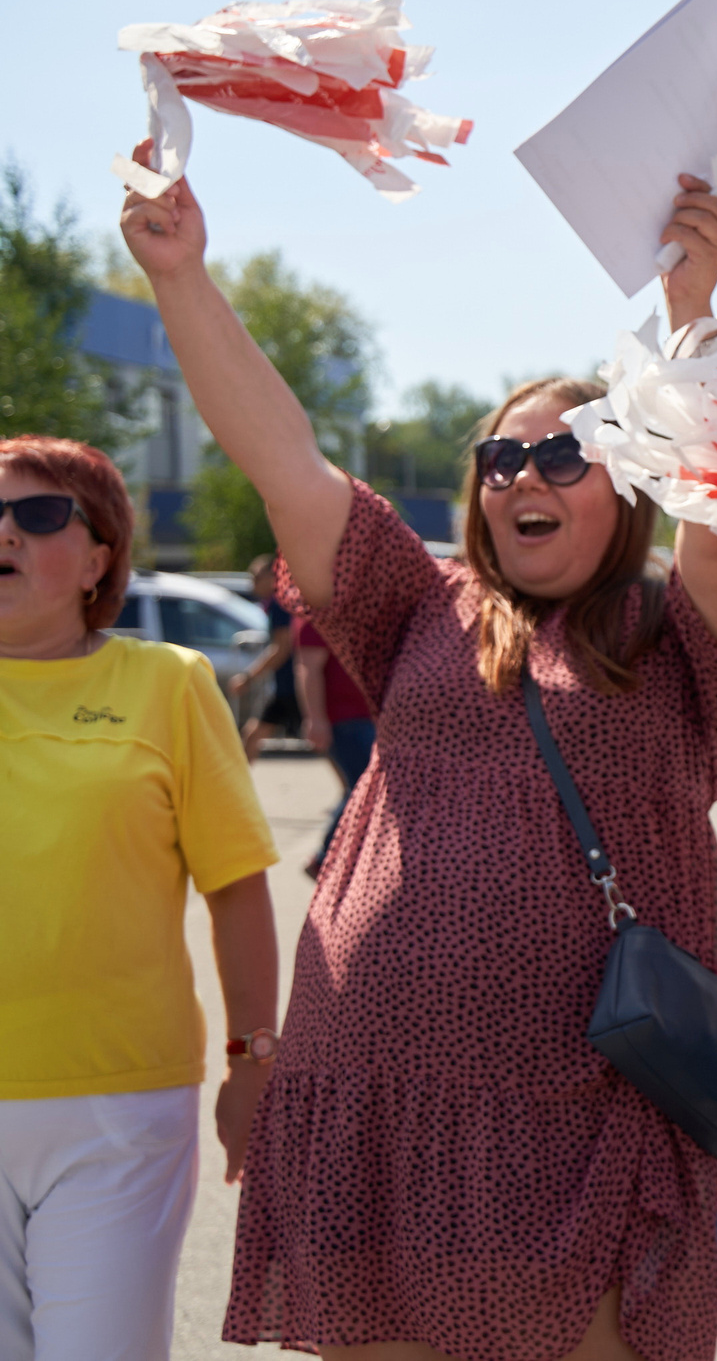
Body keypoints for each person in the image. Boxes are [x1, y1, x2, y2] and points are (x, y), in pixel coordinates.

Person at [121, 151, 717, 1361]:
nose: (519, 477)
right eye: (500, 458)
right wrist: (182, 279)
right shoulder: (419, 604)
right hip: (378, 1095)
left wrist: (693, 317)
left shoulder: (676, 636)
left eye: (560, 457)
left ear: (631, 483)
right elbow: (284, 459)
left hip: (585, 1114)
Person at [0, 434, 280, 1361]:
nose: (4, 531)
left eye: (38, 515)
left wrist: (251, 1059)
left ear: (99, 557)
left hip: (118, 1111)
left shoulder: (167, 683)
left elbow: (236, 886)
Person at [296, 613, 376, 876]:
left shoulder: (354, 610)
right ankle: (323, 857)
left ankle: (340, 857)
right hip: (343, 719)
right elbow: (308, 668)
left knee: (362, 788)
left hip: (365, 716)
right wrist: (315, 719)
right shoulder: (316, 615)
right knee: (363, 788)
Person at [228, 550, 303, 758]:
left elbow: (282, 647)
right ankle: (238, 787)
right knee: (253, 734)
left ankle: (353, 784)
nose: (252, 583)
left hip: (294, 685)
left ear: (274, 575)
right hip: (287, 686)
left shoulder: (281, 603)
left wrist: (248, 677)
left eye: (256, 576)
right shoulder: (278, 602)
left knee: (326, 740)